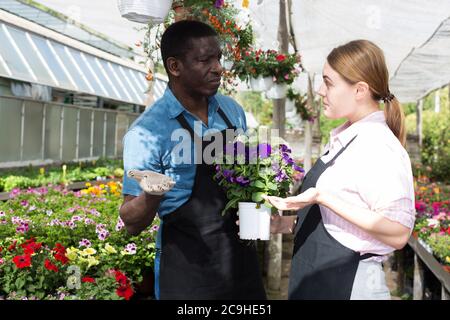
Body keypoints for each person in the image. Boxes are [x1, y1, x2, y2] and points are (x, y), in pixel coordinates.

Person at [119, 20, 266, 300]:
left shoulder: (231, 112)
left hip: (241, 263)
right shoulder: (148, 131)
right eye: (204, 60)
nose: (218, 68)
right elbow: (131, 223)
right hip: (188, 272)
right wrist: (152, 196)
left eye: (219, 58)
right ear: (175, 67)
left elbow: (246, 182)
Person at [264, 40, 415, 300]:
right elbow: (339, 223)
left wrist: (323, 197)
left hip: (349, 285)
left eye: (329, 82)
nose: (321, 91)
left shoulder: (377, 146)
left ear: (360, 90)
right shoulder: (346, 138)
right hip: (320, 279)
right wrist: (284, 224)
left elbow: (399, 232)